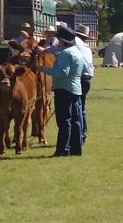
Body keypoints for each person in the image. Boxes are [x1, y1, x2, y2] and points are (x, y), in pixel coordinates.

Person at [40, 25, 88, 156]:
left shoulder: (65, 53)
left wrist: (42, 69)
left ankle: (62, 150)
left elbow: (62, 72)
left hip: (64, 89)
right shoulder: (78, 52)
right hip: (76, 89)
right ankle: (76, 149)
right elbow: (85, 70)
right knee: (76, 120)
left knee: (64, 121)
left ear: (62, 40)